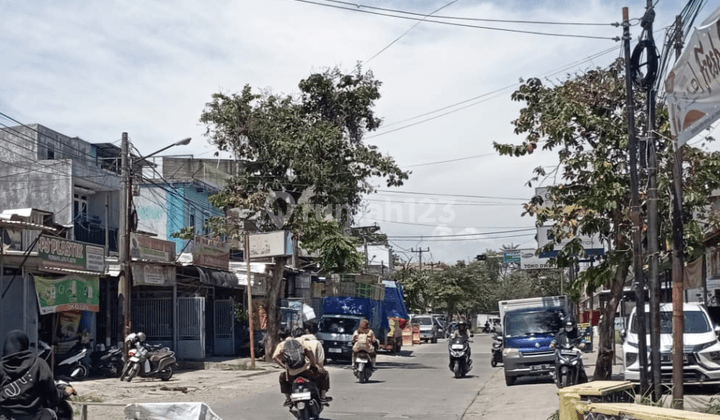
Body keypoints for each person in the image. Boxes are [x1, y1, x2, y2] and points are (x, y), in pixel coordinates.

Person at [0, 330, 73, 420]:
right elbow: (51, 396)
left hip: (6, 416)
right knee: (54, 414)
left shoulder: (1, 367)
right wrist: (64, 392)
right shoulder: (38, 364)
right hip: (33, 416)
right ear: (25, 344)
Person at [273, 322, 331, 408]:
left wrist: (285, 367)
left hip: (291, 374)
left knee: (282, 377)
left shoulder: (282, 344)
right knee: (325, 374)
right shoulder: (300, 341)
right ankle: (322, 397)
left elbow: (274, 357)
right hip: (306, 372)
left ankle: (288, 399)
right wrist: (313, 364)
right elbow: (309, 350)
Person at [550, 317, 588, 383]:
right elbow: (555, 340)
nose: (569, 327)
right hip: (562, 352)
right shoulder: (560, 333)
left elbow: (582, 339)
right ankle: (555, 373)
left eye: (570, 326)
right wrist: (553, 343)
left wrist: (582, 344)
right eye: (567, 326)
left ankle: (581, 378)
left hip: (574, 352)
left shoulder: (576, 332)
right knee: (556, 360)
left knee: (580, 366)